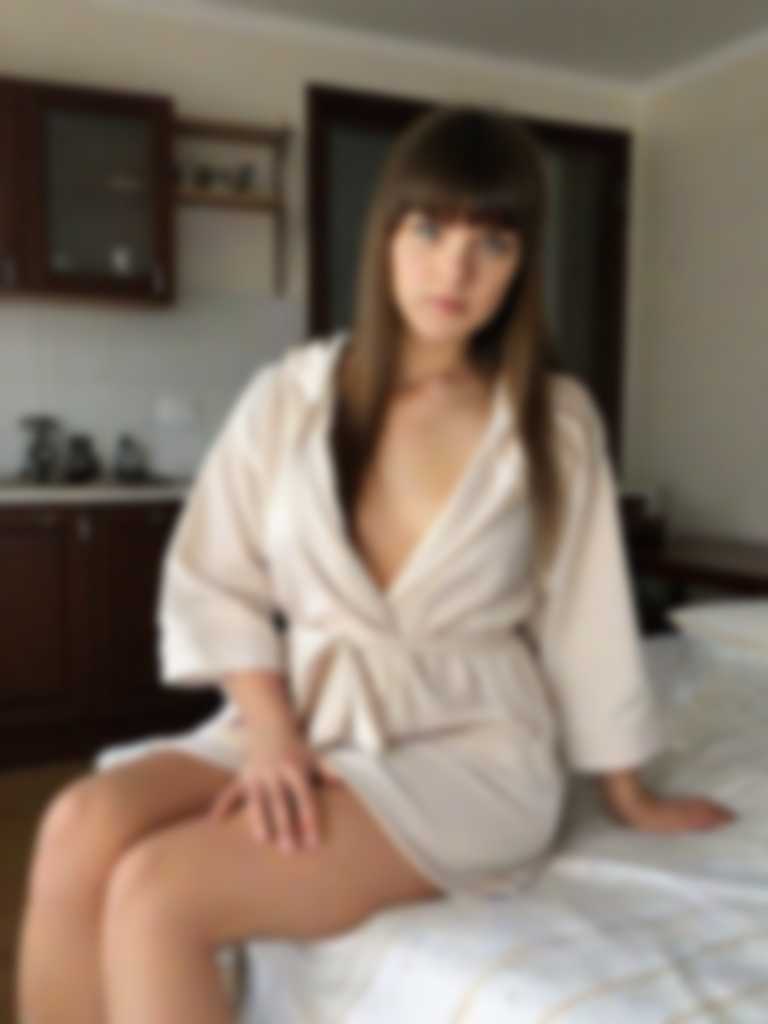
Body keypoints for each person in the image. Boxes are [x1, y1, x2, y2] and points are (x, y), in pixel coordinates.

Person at [16, 104, 735, 1023]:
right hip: (316, 711)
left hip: (470, 747)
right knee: (78, 826)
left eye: (493, 243)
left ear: (521, 265)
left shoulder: (552, 420)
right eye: (429, 229)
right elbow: (215, 573)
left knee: (161, 893)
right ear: (386, 233)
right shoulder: (291, 397)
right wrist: (270, 729)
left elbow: (588, 618)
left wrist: (627, 793)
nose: (454, 270)